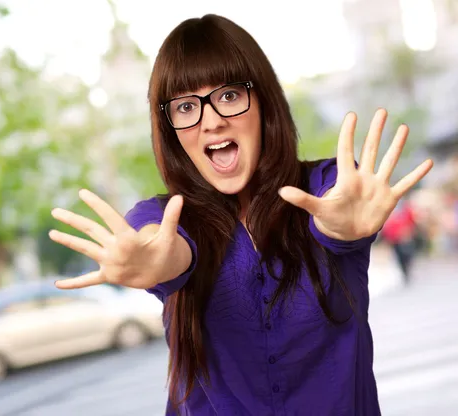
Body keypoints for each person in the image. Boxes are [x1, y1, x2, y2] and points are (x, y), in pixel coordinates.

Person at [48, 14, 433, 416]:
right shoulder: (164, 219)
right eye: (184, 107)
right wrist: (158, 260)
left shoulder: (326, 186)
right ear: (170, 129)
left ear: (263, 100)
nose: (212, 121)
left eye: (229, 95)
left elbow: (336, 215)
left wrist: (339, 231)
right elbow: (169, 250)